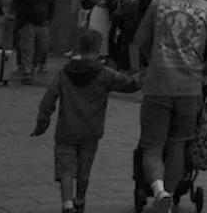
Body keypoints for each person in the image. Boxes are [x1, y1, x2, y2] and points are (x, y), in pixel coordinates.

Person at [133, 0, 207, 213]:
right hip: (189, 87)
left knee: (152, 146)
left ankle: (158, 189)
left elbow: (140, 40)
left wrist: (151, 61)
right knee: (178, 145)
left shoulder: (159, 3)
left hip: (158, 83)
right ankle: (172, 197)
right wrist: (204, 70)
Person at [32, 27, 141, 213]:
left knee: (66, 169)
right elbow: (127, 84)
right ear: (99, 48)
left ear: (79, 48)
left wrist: (43, 120)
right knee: (84, 169)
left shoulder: (65, 72)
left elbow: (49, 97)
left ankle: (66, 203)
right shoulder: (105, 73)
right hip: (91, 130)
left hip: (66, 129)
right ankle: (80, 200)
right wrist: (141, 79)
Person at [16, 0, 57, 85]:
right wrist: (19, 17)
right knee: (27, 48)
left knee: (42, 48)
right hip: (28, 22)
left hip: (43, 23)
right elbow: (17, 3)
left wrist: (50, 18)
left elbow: (52, 5)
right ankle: (27, 72)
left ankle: (31, 66)